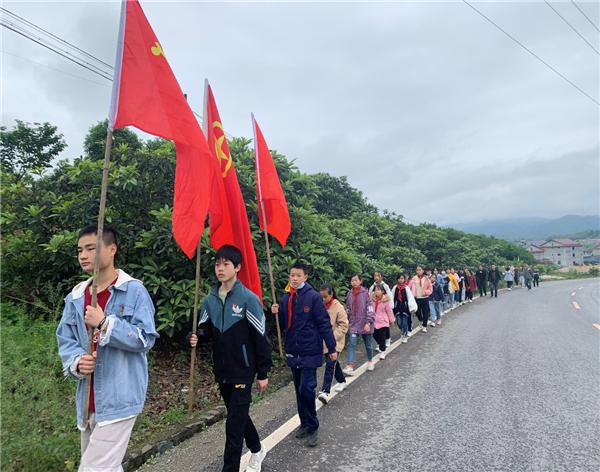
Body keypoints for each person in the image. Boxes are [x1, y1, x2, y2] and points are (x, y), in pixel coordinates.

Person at [56, 225, 158, 472]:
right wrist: (77, 362)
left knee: (93, 469)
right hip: (87, 401)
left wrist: (105, 323)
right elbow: (66, 339)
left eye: (91, 248)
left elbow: (145, 338)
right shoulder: (77, 296)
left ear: (112, 249)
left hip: (120, 396)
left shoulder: (133, 290)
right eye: (80, 250)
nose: (83, 255)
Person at [190, 245, 272, 472]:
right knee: (239, 416)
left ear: (237, 267)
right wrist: (196, 336)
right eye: (217, 264)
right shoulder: (210, 300)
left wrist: (263, 372)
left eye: (226, 264)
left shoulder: (249, 299)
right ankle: (257, 450)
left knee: (233, 427)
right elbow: (204, 329)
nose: (220, 268)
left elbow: (261, 337)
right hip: (222, 370)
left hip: (243, 371)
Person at [272, 262, 336, 448]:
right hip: (293, 351)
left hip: (310, 350)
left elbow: (324, 323)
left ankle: (313, 425)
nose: (294, 278)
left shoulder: (314, 297)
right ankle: (305, 424)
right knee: (298, 391)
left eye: (298, 275)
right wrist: (275, 313)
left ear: (305, 277)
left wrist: (331, 348)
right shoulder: (285, 298)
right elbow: (284, 324)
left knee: (306, 389)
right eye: (292, 275)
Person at [317, 284, 349, 405]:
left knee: (330, 364)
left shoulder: (338, 307)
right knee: (333, 363)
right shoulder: (320, 306)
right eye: (321, 297)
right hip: (324, 342)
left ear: (331, 295)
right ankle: (342, 381)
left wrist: (332, 337)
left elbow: (344, 325)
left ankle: (325, 391)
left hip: (335, 341)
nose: (323, 299)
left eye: (325, 297)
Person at [344, 274, 375, 375]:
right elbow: (348, 308)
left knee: (368, 345)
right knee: (352, 344)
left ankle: (370, 361)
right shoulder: (349, 294)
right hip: (353, 324)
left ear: (360, 281)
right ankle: (350, 366)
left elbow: (370, 308)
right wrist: (346, 320)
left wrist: (368, 322)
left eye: (356, 280)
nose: (353, 282)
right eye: (352, 280)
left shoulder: (365, 293)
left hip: (365, 323)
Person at [368, 271, 394, 347]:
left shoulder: (385, 286)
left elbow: (389, 295)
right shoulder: (372, 287)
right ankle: (380, 343)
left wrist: (390, 305)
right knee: (376, 330)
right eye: (375, 275)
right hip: (375, 309)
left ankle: (388, 338)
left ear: (381, 277)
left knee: (385, 327)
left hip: (385, 307)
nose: (376, 277)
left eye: (378, 276)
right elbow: (369, 295)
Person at [391, 273, 417, 343]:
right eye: (399, 278)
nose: (400, 280)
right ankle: (402, 331)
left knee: (404, 323)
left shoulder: (406, 288)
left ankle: (404, 335)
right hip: (397, 308)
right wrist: (391, 306)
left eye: (402, 278)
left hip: (405, 308)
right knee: (399, 323)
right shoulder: (395, 288)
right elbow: (391, 297)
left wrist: (412, 307)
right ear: (397, 279)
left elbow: (410, 298)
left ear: (404, 279)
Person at [372, 284, 395, 359]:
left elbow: (389, 311)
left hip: (383, 322)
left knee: (382, 337)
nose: (376, 291)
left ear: (382, 291)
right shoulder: (372, 300)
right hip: (374, 322)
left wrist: (392, 320)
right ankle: (380, 343)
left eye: (378, 290)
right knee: (375, 335)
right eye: (375, 290)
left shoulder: (385, 300)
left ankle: (382, 351)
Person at [409, 265, 433, 333]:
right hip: (417, 298)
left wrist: (426, 292)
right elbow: (409, 287)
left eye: (420, 270)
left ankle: (424, 326)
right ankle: (421, 320)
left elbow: (430, 289)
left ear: (423, 271)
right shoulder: (414, 278)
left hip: (425, 298)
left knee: (426, 312)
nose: (418, 271)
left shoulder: (427, 279)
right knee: (417, 311)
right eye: (417, 270)